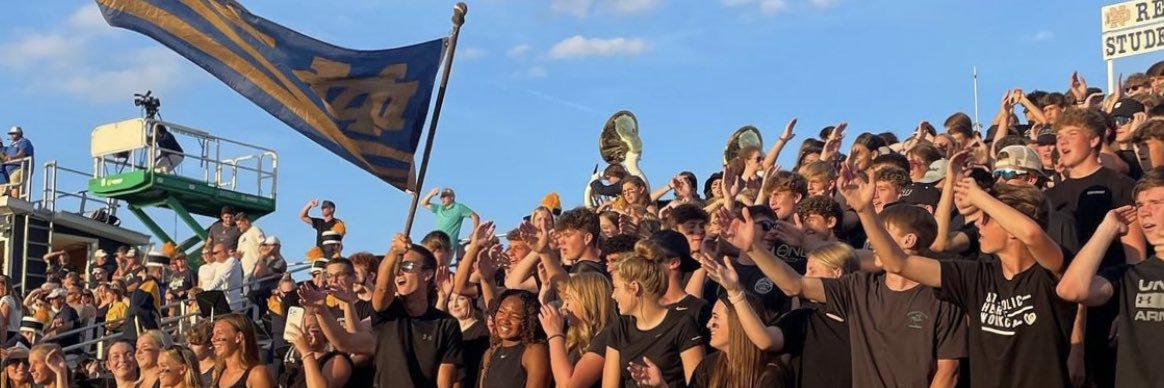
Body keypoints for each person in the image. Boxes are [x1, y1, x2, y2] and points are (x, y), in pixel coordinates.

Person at [1055, 167, 1164, 386]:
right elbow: (1071, 290)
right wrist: (1106, 229)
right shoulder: (1131, 274)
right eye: (1140, 205)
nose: (1144, 212)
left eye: (1156, 203)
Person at [319, 234, 461, 388]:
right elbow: (381, 288)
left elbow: (445, 380)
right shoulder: (388, 313)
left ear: (427, 274)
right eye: (397, 268)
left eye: (407, 266)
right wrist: (394, 252)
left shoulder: (446, 324)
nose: (399, 272)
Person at [603, 256, 704, 388]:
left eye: (616, 288)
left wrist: (661, 385)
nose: (613, 296)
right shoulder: (619, 328)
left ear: (634, 288)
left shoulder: (682, 324)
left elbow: (699, 383)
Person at [538, 272, 615, 388]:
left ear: (587, 300)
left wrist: (554, 334)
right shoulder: (575, 334)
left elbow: (567, 385)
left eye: (569, 299)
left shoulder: (607, 336)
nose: (564, 307)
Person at [478, 290, 550, 388]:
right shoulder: (489, 354)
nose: (505, 320)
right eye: (501, 312)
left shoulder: (534, 351)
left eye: (515, 317)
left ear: (528, 321)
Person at [282, 312, 353, 388]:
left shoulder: (338, 360)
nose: (304, 334)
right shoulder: (294, 367)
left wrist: (306, 352)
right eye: (300, 329)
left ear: (324, 332)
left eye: (313, 329)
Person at [211, 314, 275, 388]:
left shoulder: (257, 374)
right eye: (213, 334)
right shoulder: (217, 373)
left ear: (238, 337)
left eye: (219, 333)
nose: (213, 339)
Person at [234, 213, 265, 284]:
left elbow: (263, 246)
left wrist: (260, 265)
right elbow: (239, 255)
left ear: (246, 221)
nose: (238, 227)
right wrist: (234, 255)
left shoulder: (255, 229)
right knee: (247, 293)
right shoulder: (241, 238)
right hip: (246, 272)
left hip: (256, 270)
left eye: (239, 224)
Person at [2, 126, 33, 198]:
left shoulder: (24, 142)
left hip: (19, 169)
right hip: (9, 173)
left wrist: (12, 158)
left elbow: (22, 154)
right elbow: (5, 157)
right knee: (7, 189)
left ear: (19, 134)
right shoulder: (11, 146)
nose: (12, 135)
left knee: (15, 188)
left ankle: (16, 201)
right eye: (11, 134)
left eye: (14, 134)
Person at [184, 321, 215, 386]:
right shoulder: (186, 367)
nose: (189, 346)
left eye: (194, 344)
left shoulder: (218, 372)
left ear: (210, 345)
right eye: (188, 343)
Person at [0, 276, 20, 346]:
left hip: (7, 335)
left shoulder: (5, 299)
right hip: (16, 334)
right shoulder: (16, 300)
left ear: (3, 286)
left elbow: (4, 324)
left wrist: (2, 343)